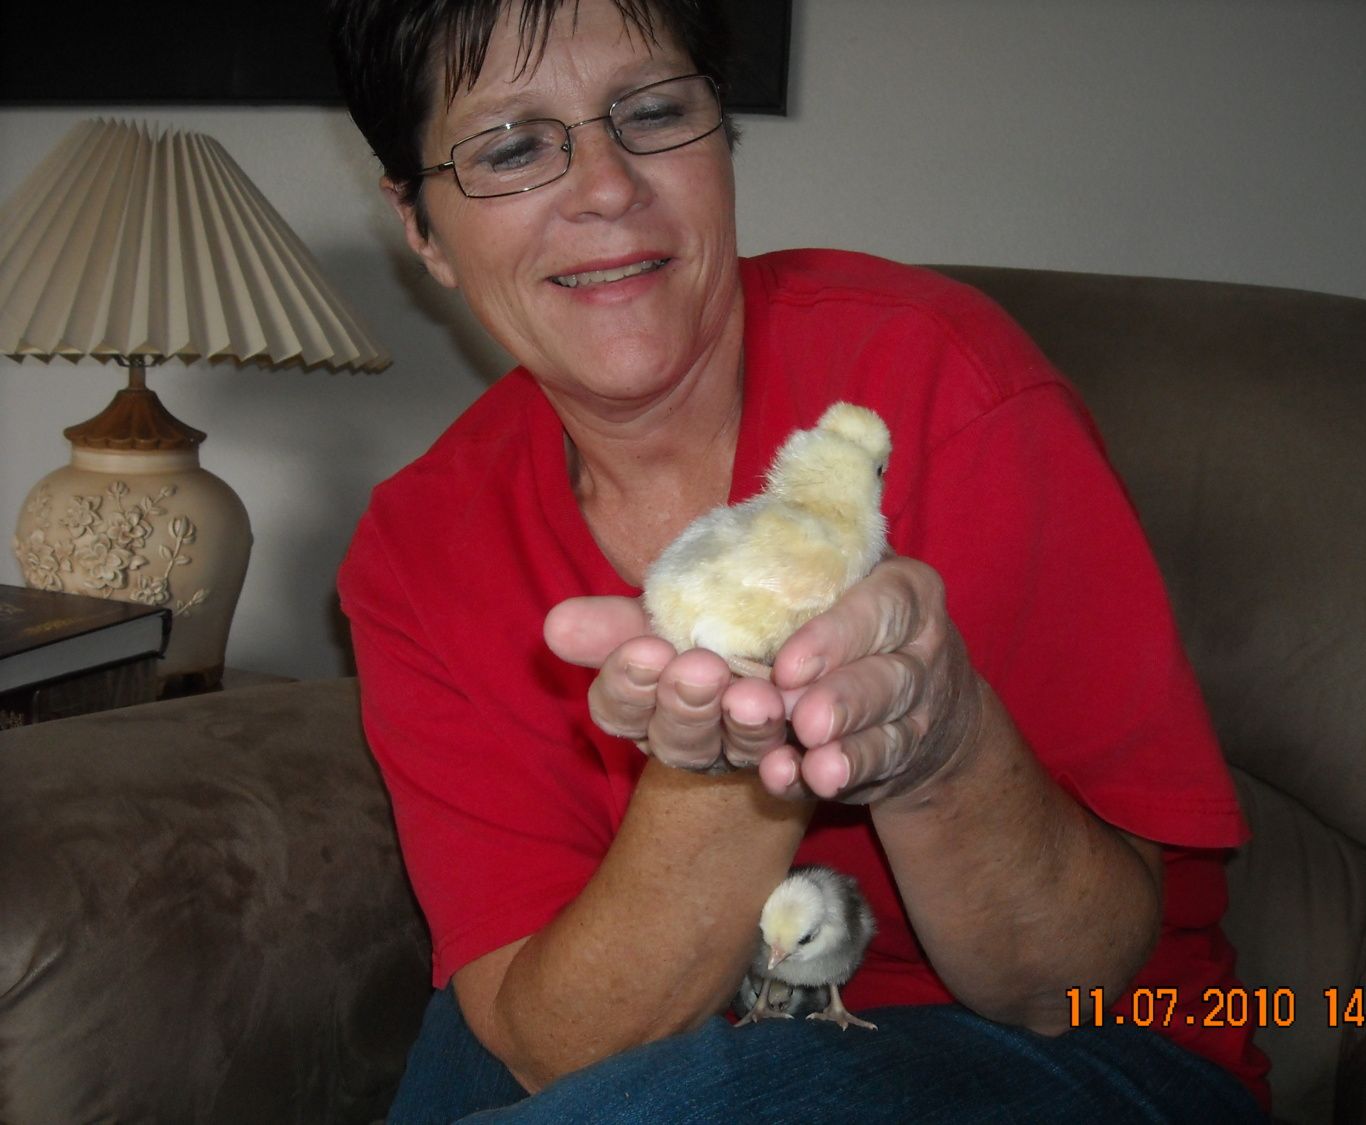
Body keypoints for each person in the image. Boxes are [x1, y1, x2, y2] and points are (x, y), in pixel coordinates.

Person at [329, 0, 1270, 1120]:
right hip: (687, 1048)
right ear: (421, 227)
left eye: (653, 111)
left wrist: (939, 747)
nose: (607, 187)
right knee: (475, 1049)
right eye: (512, 147)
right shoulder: (417, 550)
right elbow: (557, 1046)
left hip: (1098, 1055)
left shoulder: (947, 382)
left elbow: (1067, 986)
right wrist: (727, 757)